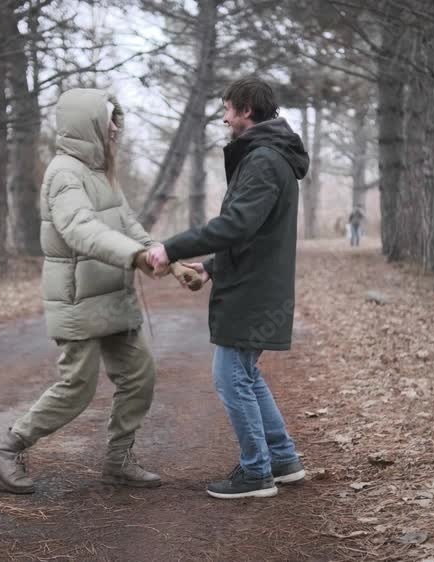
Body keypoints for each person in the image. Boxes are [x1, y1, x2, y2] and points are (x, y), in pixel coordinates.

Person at [0, 89, 193, 494]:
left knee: (139, 376)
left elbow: (128, 225)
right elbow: (80, 229)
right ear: (89, 123)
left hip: (113, 297)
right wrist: (135, 257)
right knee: (76, 388)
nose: (115, 127)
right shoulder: (65, 173)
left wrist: (171, 261)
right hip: (78, 299)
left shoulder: (100, 172)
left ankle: (118, 461)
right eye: (109, 119)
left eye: (116, 119)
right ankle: (7, 449)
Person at [147, 77, 309, 499]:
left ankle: (256, 473)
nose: (224, 118)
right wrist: (211, 266)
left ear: (246, 110)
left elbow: (236, 225)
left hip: (253, 290)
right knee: (245, 374)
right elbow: (256, 233)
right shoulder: (269, 156)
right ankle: (282, 459)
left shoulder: (263, 160)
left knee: (230, 376)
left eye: (227, 109)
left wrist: (171, 247)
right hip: (254, 282)